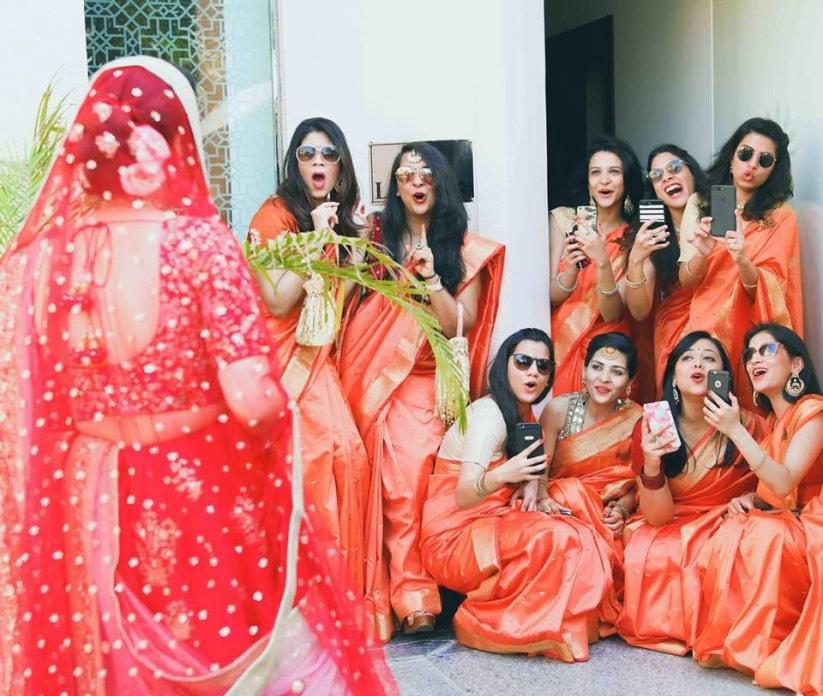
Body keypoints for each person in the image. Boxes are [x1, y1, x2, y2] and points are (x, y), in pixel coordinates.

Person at [0, 56, 394, 695]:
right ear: (173, 142)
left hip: (80, 495)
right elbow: (252, 399)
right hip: (185, 488)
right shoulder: (200, 246)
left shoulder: (40, 263)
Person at [338, 142, 504, 639]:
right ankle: (411, 596)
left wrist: (431, 279)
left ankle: (441, 585)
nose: (416, 182)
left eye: (426, 174)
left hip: (436, 385)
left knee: (429, 489)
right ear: (395, 186)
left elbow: (462, 325)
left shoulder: (466, 249)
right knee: (396, 489)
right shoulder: (376, 243)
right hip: (378, 383)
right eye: (406, 174)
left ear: (441, 184)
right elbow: (350, 311)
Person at [420, 329, 613, 661]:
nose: (533, 373)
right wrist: (506, 475)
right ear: (504, 365)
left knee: (580, 533)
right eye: (523, 362)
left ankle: (550, 623)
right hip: (453, 539)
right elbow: (466, 495)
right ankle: (491, 623)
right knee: (553, 538)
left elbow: (528, 478)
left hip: (489, 523)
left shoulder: (523, 415)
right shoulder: (489, 416)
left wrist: (531, 488)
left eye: (542, 366)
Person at [248, 117, 370, 592]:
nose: (318, 162)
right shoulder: (273, 216)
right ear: (294, 163)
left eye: (328, 154)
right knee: (317, 458)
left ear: (341, 165)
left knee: (348, 460)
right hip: (284, 357)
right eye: (307, 153)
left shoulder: (341, 216)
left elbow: (347, 299)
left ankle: (337, 595)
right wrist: (317, 241)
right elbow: (277, 299)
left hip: (323, 359)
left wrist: (354, 253)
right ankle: (298, 595)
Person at [693, 324, 823, 692]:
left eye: (767, 350)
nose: (754, 360)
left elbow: (786, 482)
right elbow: (774, 487)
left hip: (815, 517)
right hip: (791, 513)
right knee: (733, 526)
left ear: (796, 363)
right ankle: (744, 645)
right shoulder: (771, 424)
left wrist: (735, 430)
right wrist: (752, 498)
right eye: (749, 354)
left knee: (766, 533)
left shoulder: (813, 410)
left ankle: (764, 646)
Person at [615, 332, 764, 654]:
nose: (698, 363)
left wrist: (753, 498)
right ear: (673, 376)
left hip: (729, 518)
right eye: (687, 358)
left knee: (732, 548)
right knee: (654, 551)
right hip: (670, 517)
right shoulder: (652, 426)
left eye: (709, 358)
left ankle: (723, 637)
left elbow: (773, 486)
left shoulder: (750, 426)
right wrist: (652, 465)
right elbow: (658, 517)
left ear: (724, 374)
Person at [677, 118, 802, 409]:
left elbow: (771, 288)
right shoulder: (700, 203)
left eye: (764, 160)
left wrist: (742, 259)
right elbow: (686, 281)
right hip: (703, 326)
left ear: (774, 170)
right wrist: (703, 253)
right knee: (701, 408)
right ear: (731, 156)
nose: (752, 165)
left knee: (746, 407)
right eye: (745, 154)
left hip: (752, 332)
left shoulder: (781, 217)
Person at [537, 332, 642, 632]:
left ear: (630, 381)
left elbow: (636, 483)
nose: (604, 378)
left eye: (617, 372)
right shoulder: (558, 409)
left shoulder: (637, 418)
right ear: (584, 371)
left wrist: (621, 510)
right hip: (560, 503)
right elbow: (539, 471)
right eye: (597, 367)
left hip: (607, 512)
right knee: (567, 511)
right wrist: (545, 500)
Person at [549, 135, 645, 396]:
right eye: (596, 173)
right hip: (563, 342)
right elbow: (552, 296)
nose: (604, 180)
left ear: (626, 181)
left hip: (608, 351)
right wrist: (570, 268)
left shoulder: (634, 238)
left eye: (614, 172)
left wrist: (602, 260)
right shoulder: (563, 221)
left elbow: (613, 312)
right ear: (588, 182)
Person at [623, 145, 708, 392]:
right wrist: (636, 260)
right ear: (655, 191)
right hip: (675, 337)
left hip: (723, 324)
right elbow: (639, 311)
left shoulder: (718, 216)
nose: (667, 177)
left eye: (674, 168)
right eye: (657, 175)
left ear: (692, 172)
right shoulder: (654, 235)